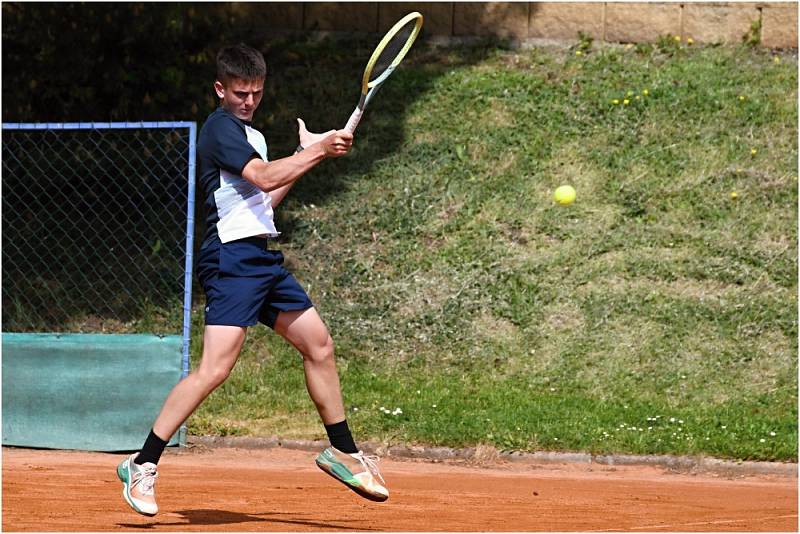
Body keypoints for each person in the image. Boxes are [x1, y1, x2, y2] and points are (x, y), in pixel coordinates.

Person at [116, 43, 388, 517]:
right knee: (214, 369)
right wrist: (318, 148)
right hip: (230, 261)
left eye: (256, 93)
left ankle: (344, 451)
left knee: (319, 346)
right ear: (220, 89)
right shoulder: (220, 129)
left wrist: (310, 155)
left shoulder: (253, 136)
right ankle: (142, 464)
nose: (248, 101)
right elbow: (262, 179)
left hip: (261, 258)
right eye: (240, 93)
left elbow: (265, 199)